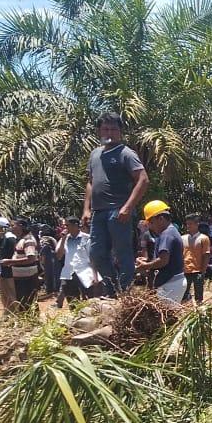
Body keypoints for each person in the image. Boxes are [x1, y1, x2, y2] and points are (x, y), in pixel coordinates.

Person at [83, 112, 150, 296]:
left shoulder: (126, 153)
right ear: (99, 131)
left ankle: (124, 291)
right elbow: (90, 182)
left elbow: (143, 180)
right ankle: (113, 289)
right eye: (105, 129)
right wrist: (86, 209)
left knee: (123, 253)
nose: (109, 133)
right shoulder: (95, 154)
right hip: (98, 211)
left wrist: (128, 207)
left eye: (114, 129)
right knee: (96, 253)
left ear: (120, 131)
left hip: (118, 210)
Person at [135, 201, 186, 304]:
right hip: (172, 282)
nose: (150, 227)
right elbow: (165, 258)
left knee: (168, 313)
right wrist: (148, 260)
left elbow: (163, 261)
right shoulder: (170, 232)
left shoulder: (167, 234)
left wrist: (145, 266)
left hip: (171, 283)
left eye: (151, 222)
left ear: (161, 219)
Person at [56, 216, 97, 307]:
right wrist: (63, 240)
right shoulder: (64, 239)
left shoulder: (86, 238)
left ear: (75, 225)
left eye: (67, 225)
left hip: (85, 273)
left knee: (90, 301)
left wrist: (95, 276)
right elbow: (59, 256)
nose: (65, 228)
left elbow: (92, 258)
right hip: (68, 274)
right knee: (73, 303)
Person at [1, 218, 40, 312]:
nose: (10, 228)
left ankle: (31, 319)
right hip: (21, 277)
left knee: (27, 301)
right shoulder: (20, 239)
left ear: (20, 226)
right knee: (23, 301)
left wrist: (11, 262)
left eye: (13, 225)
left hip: (28, 278)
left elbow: (31, 258)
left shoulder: (28, 240)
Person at [181, 214, 211, 304]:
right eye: (187, 224)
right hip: (185, 269)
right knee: (184, 292)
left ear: (197, 224)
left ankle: (199, 307)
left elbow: (206, 255)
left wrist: (203, 271)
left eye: (190, 224)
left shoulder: (203, 238)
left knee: (198, 293)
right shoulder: (183, 238)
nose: (188, 226)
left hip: (198, 270)